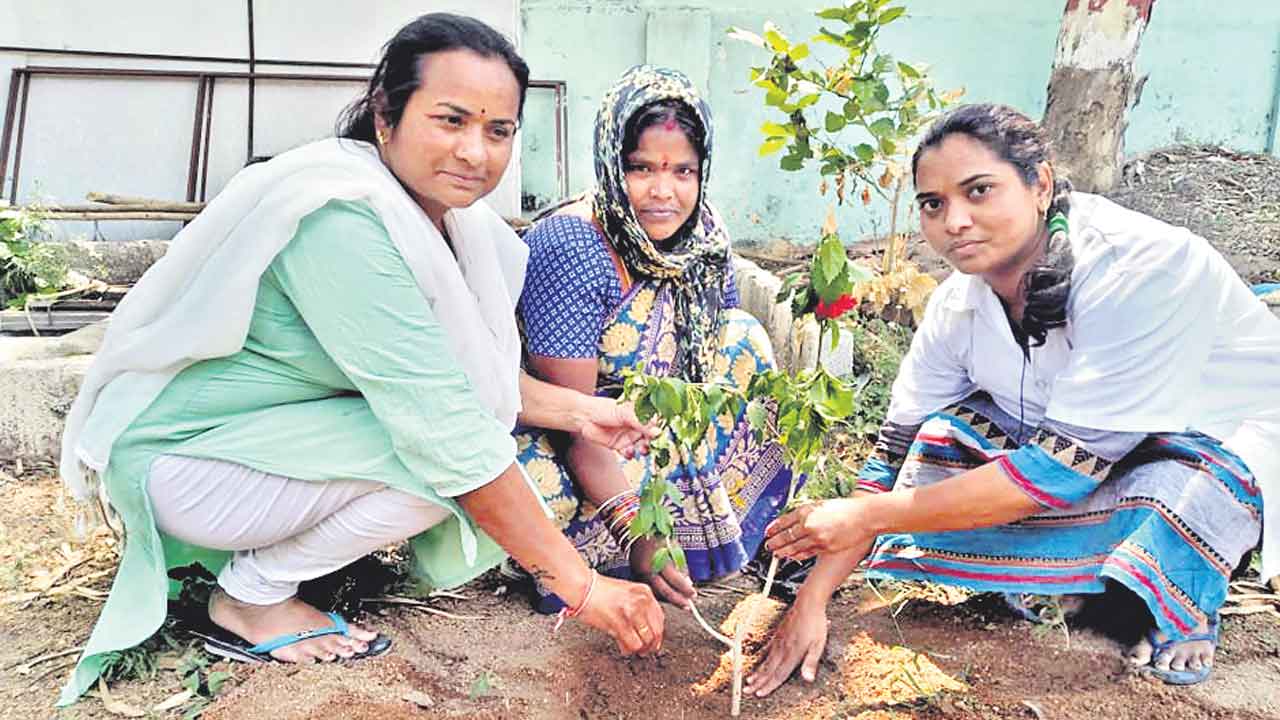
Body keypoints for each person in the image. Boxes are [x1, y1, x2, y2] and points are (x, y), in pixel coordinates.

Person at [56, 13, 667, 706]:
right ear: (385, 115)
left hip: (258, 441)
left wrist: (582, 412)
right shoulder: (340, 219)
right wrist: (583, 588)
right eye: (451, 120)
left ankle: (268, 573)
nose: (475, 151)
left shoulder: (450, 221)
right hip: (183, 460)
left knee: (465, 442)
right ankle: (251, 598)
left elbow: (469, 377)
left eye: (498, 130)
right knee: (446, 462)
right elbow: (447, 428)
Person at [745, 103, 1280, 695]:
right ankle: (1076, 582)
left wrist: (866, 516)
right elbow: (891, 457)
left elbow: (1059, 473)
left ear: (1040, 184)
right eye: (933, 204)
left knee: (1177, 487)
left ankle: (1180, 602)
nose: (955, 221)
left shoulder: (1140, 268)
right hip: (1077, 448)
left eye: (979, 191)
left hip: (1211, 442)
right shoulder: (958, 305)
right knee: (939, 442)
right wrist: (814, 599)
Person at [515, 66, 796, 610]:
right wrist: (639, 534)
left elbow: (708, 368)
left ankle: (725, 539)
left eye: (683, 171)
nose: (663, 192)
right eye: (640, 168)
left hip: (654, 426)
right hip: (574, 439)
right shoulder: (574, 247)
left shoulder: (701, 238)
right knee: (536, 486)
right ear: (610, 163)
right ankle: (605, 564)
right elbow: (578, 423)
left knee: (744, 339)